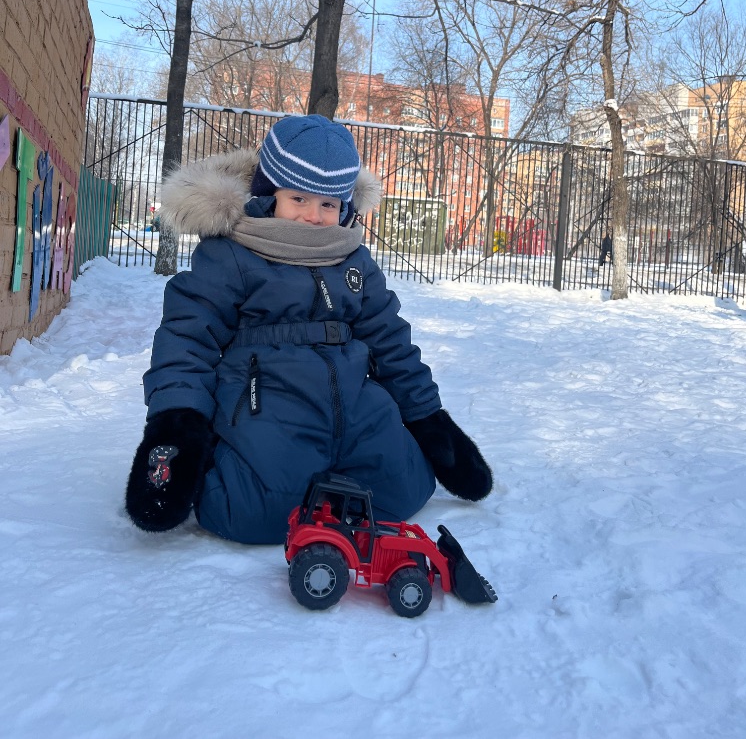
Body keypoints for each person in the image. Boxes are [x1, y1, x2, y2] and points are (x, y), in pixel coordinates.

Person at [125, 114, 492, 545]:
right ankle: (241, 464)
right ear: (269, 193)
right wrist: (177, 425)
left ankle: (335, 474)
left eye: (328, 204)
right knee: (249, 510)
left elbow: (390, 341)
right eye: (298, 198)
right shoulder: (233, 254)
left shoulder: (353, 260)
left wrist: (428, 417)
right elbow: (187, 338)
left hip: (354, 401)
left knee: (407, 487)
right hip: (267, 401)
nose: (313, 217)